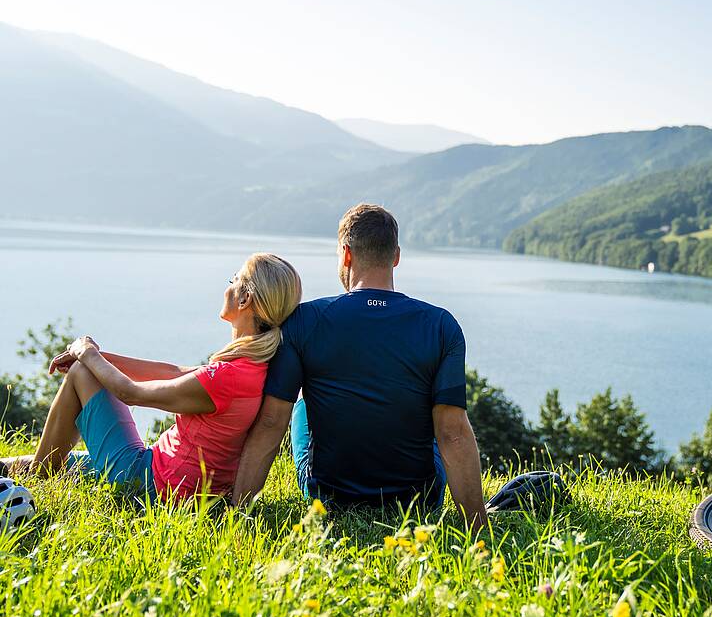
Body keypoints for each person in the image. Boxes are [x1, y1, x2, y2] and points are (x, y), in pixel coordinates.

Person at [233, 204, 488, 528]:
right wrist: (479, 526)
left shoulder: (304, 321)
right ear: (395, 256)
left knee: (299, 408)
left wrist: (237, 511)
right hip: (418, 499)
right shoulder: (441, 325)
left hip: (328, 495)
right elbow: (453, 433)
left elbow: (271, 422)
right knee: (440, 417)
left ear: (346, 254)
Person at [3, 253, 301, 502]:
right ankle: (33, 470)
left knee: (82, 372)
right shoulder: (253, 366)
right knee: (63, 463)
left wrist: (87, 354)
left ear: (245, 297)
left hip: (152, 484)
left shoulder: (227, 376)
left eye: (233, 280)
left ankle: (39, 479)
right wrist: (101, 357)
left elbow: (131, 394)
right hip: (163, 472)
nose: (228, 287)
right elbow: (172, 373)